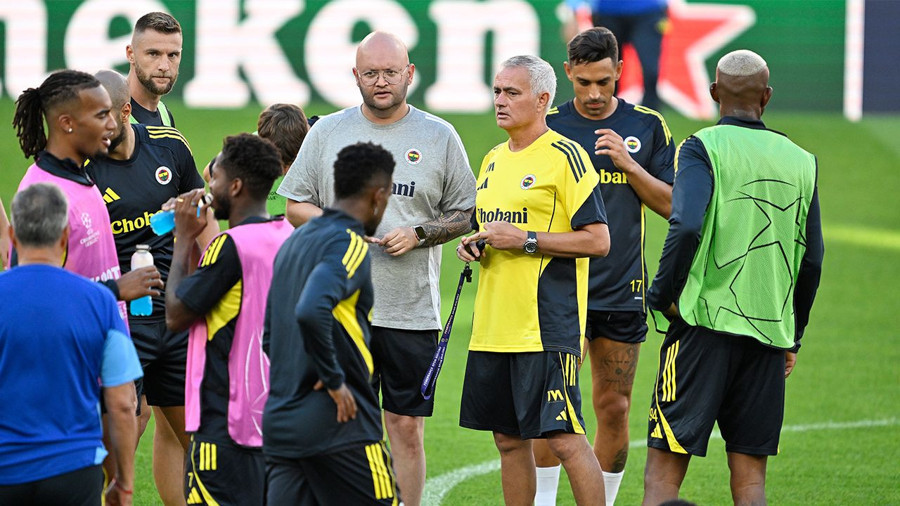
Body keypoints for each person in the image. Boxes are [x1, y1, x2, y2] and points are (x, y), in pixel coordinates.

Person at [277, 31, 476, 506]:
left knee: (405, 427)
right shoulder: (328, 132)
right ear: (355, 76)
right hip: (342, 311)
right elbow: (295, 204)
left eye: (390, 72)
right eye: (371, 73)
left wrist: (420, 234)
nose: (381, 81)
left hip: (411, 311)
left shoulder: (439, 135)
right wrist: (340, 225)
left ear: (410, 73)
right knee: (342, 423)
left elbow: (467, 212)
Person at [642, 49, 824, 505]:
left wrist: (661, 294)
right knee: (750, 482)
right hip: (768, 335)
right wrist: (793, 335)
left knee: (663, 477)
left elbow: (686, 224)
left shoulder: (702, 147)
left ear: (713, 93)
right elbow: (813, 259)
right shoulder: (802, 160)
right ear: (767, 96)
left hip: (702, 328)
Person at [456, 54, 610, 505]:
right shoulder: (492, 159)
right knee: (507, 440)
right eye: (497, 91)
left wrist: (525, 240)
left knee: (563, 438)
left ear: (542, 100)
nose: (500, 101)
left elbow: (598, 240)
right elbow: (496, 230)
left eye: (512, 92)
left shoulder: (566, 156)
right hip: (492, 327)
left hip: (544, 326)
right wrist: (477, 244)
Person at [533, 26, 674, 506]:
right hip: (556, 291)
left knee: (614, 407)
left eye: (604, 82)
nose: (594, 94)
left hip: (621, 292)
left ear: (620, 72)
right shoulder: (547, 126)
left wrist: (630, 166)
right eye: (584, 82)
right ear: (568, 73)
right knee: (552, 406)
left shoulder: (648, 126)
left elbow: (674, 206)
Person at [88, 69, 218, 506]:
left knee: (200, 440)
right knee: (119, 435)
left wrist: (214, 273)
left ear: (126, 111)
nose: (97, 127)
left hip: (175, 317)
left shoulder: (170, 146)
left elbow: (201, 212)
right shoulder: (82, 167)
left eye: (103, 116)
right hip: (121, 321)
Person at [263, 141, 401, 504]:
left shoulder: (293, 243)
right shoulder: (349, 244)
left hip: (282, 422)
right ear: (378, 195)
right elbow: (312, 309)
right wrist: (334, 379)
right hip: (341, 422)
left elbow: (269, 336)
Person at [165, 133, 293, 505]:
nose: (210, 187)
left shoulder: (231, 246)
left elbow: (176, 313)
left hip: (226, 424)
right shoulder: (287, 235)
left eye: (216, 178)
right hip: (275, 418)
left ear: (235, 186)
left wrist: (183, 239)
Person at [0, 183, 142, 506]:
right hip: (74, 470)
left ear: (13, 235)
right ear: (65, 236)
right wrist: (123, 481)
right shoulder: (100, 301)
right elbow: (122, 402)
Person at [11, 69, 162, 315]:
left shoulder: (80, 176)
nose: (112, 124)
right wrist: (115, 290)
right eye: (101, 115)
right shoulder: (42, 197)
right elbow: (29, 294)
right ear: (67, 123)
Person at [589, 0, 669, 111]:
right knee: (607, 71)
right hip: (607, 11)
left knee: (651, 71)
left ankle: (650, 117)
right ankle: (605, 114)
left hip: (648, 10)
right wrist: (573, 9)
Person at [126, 11, 182, 127]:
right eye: (153, 54)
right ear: (131, 54)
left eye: (172, 55)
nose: (164, 67)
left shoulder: (164, 113)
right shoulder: (111, 115)